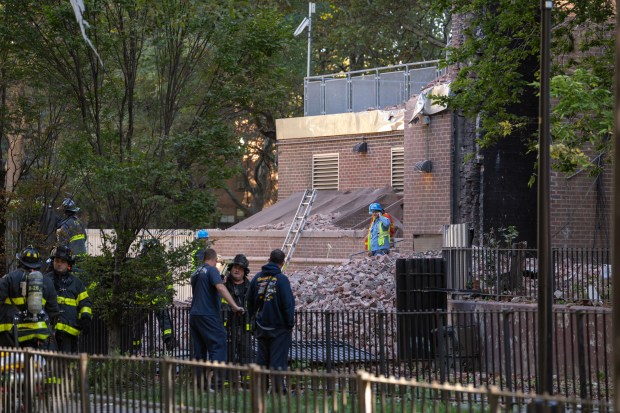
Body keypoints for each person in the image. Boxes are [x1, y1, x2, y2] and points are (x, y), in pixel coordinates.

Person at [190, 248, 244, 379]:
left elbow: (204, 291)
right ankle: (218, 383)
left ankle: (199, 383)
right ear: (214, 259)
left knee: (199, 351)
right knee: (219, 345)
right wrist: (235, 306)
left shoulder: (195, 272)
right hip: (208, 314)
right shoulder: (212, 270)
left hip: (194, 315)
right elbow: (220, 288)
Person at [247, 249, 295, 392]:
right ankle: (278, 390)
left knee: (262, 359)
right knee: (278, 360)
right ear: (282, 263)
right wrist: (289, 323)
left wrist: (254, 319)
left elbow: (249, 301)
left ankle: (261, 388)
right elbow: (287, 304)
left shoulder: (257, 278)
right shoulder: (282, 280)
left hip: (262, 326)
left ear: (269, 260)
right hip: (279, 327)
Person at [0, 246, 60, 349]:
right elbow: (54, 312)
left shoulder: (9, 278)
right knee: (39, 364)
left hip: (12, 334)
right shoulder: (47, 282)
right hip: (39, 335)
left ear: (20, 261)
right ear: (38, 264)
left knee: (12, 363)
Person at [130, 239, 176, 354]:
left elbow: (132, 282)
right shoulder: (160, 261)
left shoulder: (138, 261)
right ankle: (169, 341)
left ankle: (135, 347)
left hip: (141, 300)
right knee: (164, 320)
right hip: (157, 298)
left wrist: (131, 298)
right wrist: (169, 297)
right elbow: (168, 280)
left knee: (138, 325)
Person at [45, 245, 92, 353]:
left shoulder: (76, 283)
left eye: (63, 261)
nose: (59, 264)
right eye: (57, 260)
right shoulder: (45, 280)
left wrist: (85, 318)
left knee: (67, 364)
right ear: (53, 261)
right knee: (49, 364)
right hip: (49, 332)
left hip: (69, 332)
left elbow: (85, 302)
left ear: (68, 264)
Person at [221, 254, 252, 364]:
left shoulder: (250, 286)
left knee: (246, 355)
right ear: (231, 269)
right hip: (227, 326)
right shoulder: (223, 285)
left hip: (245, 326)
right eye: (235, 267)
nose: (237, 270)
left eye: (240, 268)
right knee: (228, 355)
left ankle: (246, 380)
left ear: (245, 272)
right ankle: (228, 379)